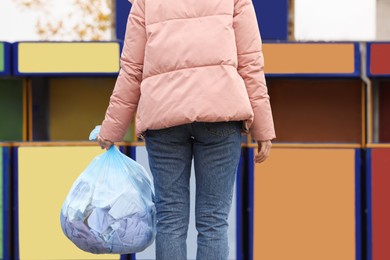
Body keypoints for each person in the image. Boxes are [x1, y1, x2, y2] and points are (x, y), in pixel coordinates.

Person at [98, 0, 275, 259]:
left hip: (164, 117)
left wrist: (112, 129)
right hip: (220, 113)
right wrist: (262, 126)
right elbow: (250, 64)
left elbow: (132, 70)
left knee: (170, 220)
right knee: (214, 221)